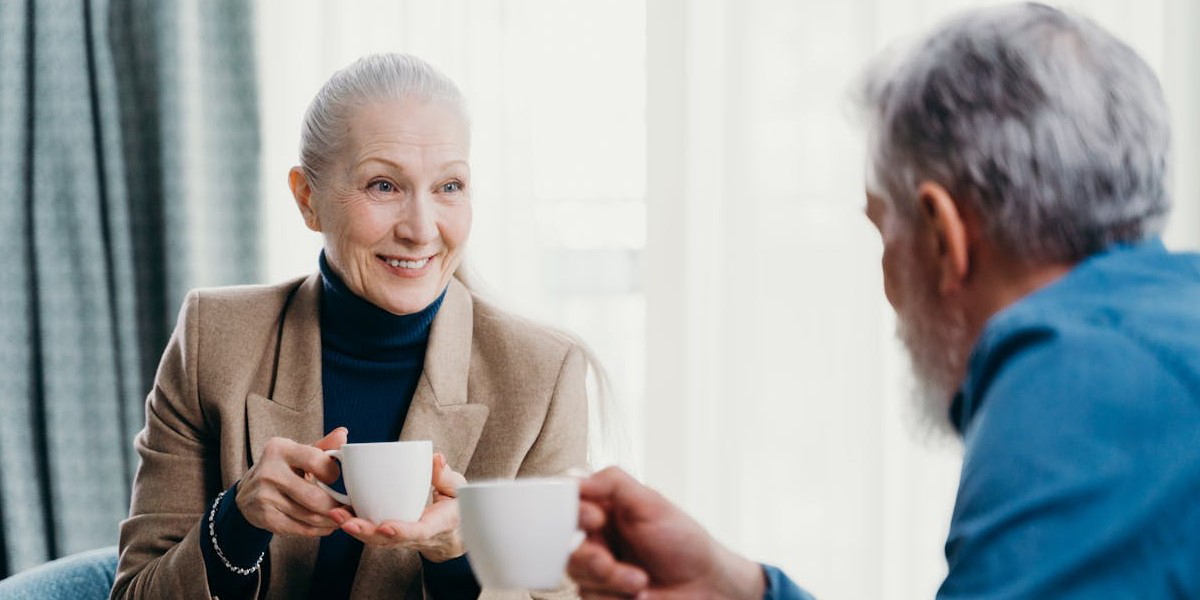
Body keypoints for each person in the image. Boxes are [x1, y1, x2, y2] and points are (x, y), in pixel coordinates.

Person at [567, 3, 1200, 599]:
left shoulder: (1074, 381)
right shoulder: (1158, 343)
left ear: (943, 234)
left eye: (882, 229)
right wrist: (742, 589)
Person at [111, 54, 591, 599]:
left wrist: (460, 559)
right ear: (306, 199)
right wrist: (236, 522)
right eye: (384, 186)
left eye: (449, 186)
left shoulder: (543, 376)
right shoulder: (213, 339)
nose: (421, 229)